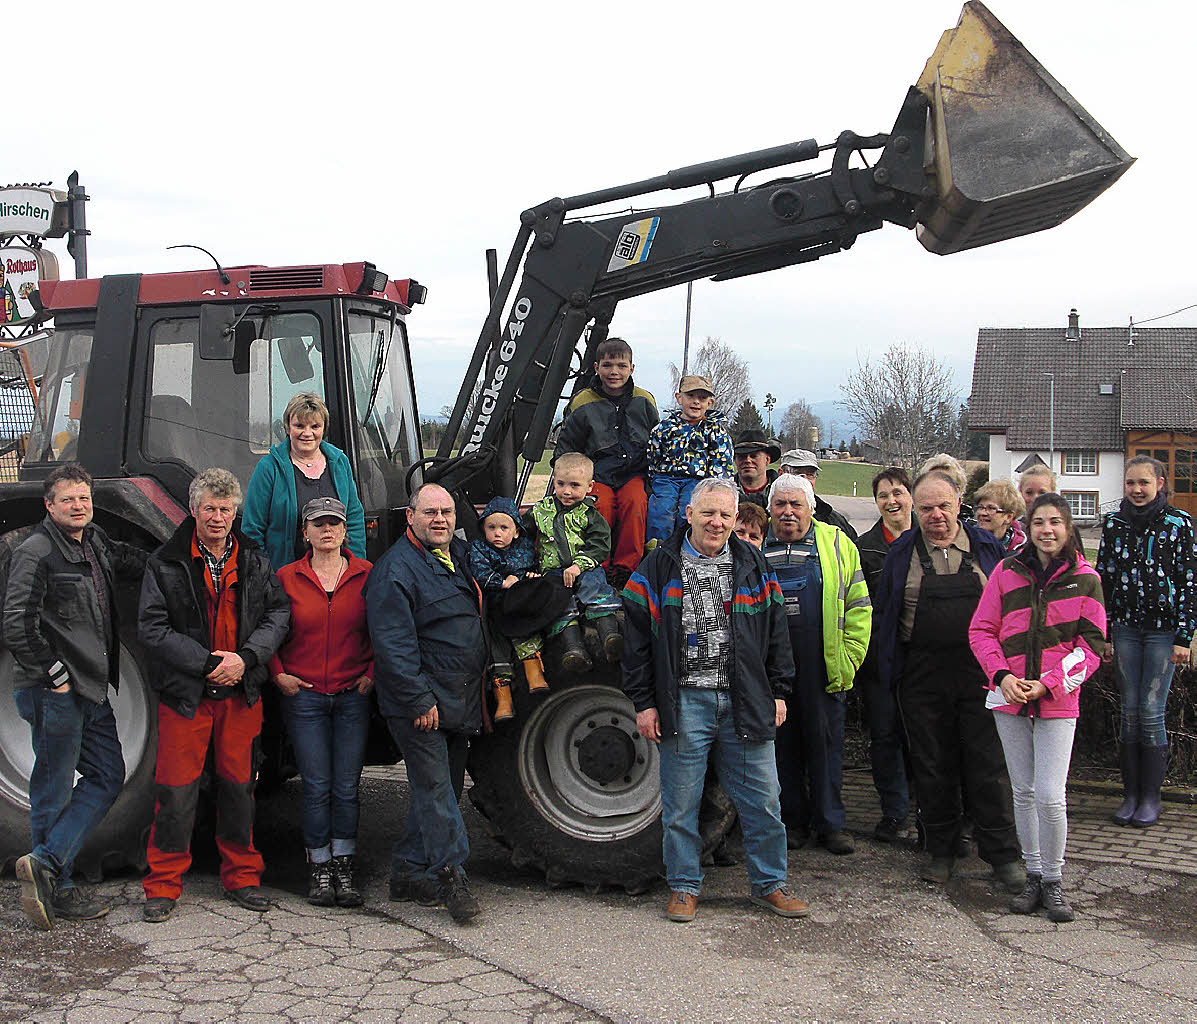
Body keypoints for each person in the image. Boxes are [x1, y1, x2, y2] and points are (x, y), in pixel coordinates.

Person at [622, 477, 809, 922]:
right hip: (684, 702)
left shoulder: (754, 566)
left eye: (726, 514)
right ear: (688, 514)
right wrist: (643, 702)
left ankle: (770, 884)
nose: (717, 522)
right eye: (708, 512)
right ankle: (684, 887)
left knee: (764, 800)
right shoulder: (657, 567)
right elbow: (635, 646)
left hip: (744, 698)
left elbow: (777, 635)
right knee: (681, 804)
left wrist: (780, 691)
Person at [138, 468, 291, 923]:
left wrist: (246, 659)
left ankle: (242, 877)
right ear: (194, 510)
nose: (219, 517)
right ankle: (162, 884)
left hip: (240, 693)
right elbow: (152, 627)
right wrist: (206, 663)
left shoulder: (254, 560)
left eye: (226, 509)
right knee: (176, 792)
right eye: (211, 509)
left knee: (240, 789)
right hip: (187, 694)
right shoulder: (165, 562)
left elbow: (278, 612)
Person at [4, 463, 146, 930]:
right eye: (68, 499)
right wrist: (53, 672)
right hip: (56, 692)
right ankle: (58, 887)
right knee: (52, 786)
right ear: (49, 505)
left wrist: (181, 554)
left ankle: (44, 863)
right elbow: (17, 621)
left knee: (108, 774)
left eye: (84, 498)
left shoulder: (95, 542)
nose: (79, 506)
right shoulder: (36, 551)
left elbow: (133, 560)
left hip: (90, 687)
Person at [874, 470, 1023, 889]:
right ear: (915, 511)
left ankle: (1002, 854)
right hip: (921, 675)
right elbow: (886, 618)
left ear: (960, 504)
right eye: (926, 508)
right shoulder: (902, 554)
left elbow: (1012, 613)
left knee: (988, 765)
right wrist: (890, 677)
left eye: (943, 505)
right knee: (931, 765)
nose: (936, 515)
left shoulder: (989, 549)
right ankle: (941, 850)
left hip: (982, 674)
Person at [969, 494, 1107, 922]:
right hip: (1007, 698)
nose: (1047, 530)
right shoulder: (1007, 573)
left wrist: (1046, 685)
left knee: (1050, 796)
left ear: (1068, 528)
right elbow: (982, 630)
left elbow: (1092, 648)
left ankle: (1054, 880)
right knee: (1023, 793)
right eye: (1038, 522)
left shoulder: (1087, 579)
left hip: (1057, 702)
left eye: (1055, 522)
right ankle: (1032, 875)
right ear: (1028, 528)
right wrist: (1003, 678)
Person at [366, 482, 486, 924]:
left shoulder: (453, 557)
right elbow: (393, 647)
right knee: (437, 792)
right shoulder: (395, 570)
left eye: (448, 512)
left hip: (455, 697)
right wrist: (418, 699)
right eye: (430, 512)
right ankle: (452, 876)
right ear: (410, 516)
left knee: (444, 790)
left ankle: (408, 871)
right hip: (422, 702)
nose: (440, 519)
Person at [271, 497, 374, 908]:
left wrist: (372, 675)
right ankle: (319, 866)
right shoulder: (285, 578)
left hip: (352, 696)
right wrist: (279, 672)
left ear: (345, 531)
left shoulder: (367, 575)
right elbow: (269, 626)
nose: (327, 531)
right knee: (316, 786)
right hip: (305, 697)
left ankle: (345, 866)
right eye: (319, 524)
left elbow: (385, 628)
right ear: (306, 533)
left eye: (334, 523)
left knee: (347, 786)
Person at [764, 475, 871, 855]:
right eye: (780, 505)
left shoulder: (838, 543)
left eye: (796, 505)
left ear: (811, 508)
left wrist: (849, 658)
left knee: (826, 747)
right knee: (781, 747)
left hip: (822, 665)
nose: (788, 512)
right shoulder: (756, 545)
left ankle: (831, 825)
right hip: (772, 670)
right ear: (769, 509)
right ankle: (792, 822)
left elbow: (859, 605)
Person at [1095, 455, 1196, 828]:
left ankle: (1151, 798)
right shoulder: (1115, 524)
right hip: (1124, 629)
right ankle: (1131, 795)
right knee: (1129, 711)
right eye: (1131, 483)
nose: (1137, 490)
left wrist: (1184, 636)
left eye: (1144, 483)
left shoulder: (1178, 524)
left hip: (1163, 632)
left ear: (1160, 485)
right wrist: (1103, 633)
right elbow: (1103, 579)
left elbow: (1189, 582)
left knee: (1151, 712)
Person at [554, 337, 658, 589]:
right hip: (596, 475)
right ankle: (596, 567)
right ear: (596, 367)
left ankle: (625, 571)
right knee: (600, 506)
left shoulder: (644, 401)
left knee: (635, 502)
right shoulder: (582, 402)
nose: (614, 372)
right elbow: (567, 446)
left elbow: (659, 441)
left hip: (633, 473)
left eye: (621, 366)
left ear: (632, 369)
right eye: (608, 365)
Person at [853, 467, 913, 843]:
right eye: (883, 495)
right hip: (879, 659)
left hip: (921, 659)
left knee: (923, 737)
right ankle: (894, 811)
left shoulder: (929, 541)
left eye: (898, 493)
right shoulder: (866, 547)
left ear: (910, 496)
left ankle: (929, 812)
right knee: (885, 736)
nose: (892, 501)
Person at [242, 392, 367, 571]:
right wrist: (266, 576)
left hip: (336, 576)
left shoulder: (340, 462)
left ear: (323, 429)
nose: (307, 433)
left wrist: (355, 567)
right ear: (287, 428)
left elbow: (354, 518)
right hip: (284, 577)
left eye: (315, 426)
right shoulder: (269, 468)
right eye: (299, 425)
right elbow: (252, 530)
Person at [524, 453, 623, 672]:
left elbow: (600, 544)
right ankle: (574, 648)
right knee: (558, 603)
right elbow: (523, 537)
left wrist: (579, 565)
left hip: (583, 568)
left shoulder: (589, 514)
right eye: (561, 484)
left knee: (595, 586)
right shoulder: (540, 511)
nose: (567, 491)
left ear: (589, 487)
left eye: (575, 485)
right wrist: (529, 569)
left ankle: (610, 637)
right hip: (553, 572)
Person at [468, 496, 551, 721]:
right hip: (493, 606)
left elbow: (531, 566)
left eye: (504, 528)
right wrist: (501, 581)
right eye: (491, 527)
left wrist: (529, 576)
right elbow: (479, 572)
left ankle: (534, 672)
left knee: (525, 626)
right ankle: (503, 699)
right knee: (496, 649)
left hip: (517, 604)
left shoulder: (523, 547)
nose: (497, 533)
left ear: (515, 531)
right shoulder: (479, 549)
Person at [645, 376, 735, 543]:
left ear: (710, 403)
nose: (696, 402)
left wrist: (717, 488)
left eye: (702, 398)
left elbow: (721, 462)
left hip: (698, 480)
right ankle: (657, 548)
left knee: (688, 511)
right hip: (667, 478)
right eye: (691, 396)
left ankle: (684, 546)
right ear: (679, 398)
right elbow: (653, 453)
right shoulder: (664, 428)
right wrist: (654, 477)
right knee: (662, 510)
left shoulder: (715, 430)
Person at [776, 449, 858, 541]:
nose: (805, 480)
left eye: (810, 474)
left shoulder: (833, 521)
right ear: (781, 474)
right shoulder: (763, 516)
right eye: (798, 473)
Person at [974, 479, 1027, 553]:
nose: (983, 513)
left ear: (1009, 517)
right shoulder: (967, 541)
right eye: (981, 507)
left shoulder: (1021, 550)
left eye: (991, 508)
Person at [733, 429, 781, 509]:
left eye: (754, 456)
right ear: (735, 460)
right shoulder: (724, 492)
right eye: (742, 456)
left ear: (767, 460)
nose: (748, 460)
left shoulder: (783, 491)